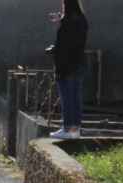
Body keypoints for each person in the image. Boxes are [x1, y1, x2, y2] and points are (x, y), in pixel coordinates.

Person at [48, 0, 88, 140]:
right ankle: (75, 129)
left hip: (67, 65)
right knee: (76, 96)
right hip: (79, 63)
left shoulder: (68, 24)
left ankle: (66, 129)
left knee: (67, 98)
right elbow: (75, 42)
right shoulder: (82, 20)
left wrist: (59, 70)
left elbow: (66, 47)